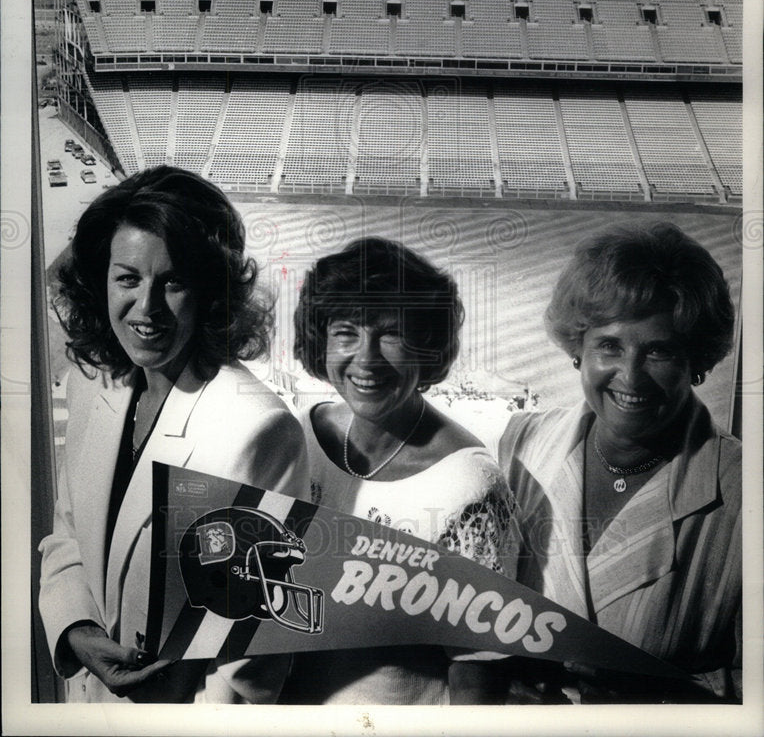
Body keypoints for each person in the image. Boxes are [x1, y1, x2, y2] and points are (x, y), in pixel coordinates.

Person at [38, 166, 309, 703]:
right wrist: (78, 631)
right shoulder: (94, 385)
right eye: (127, 278)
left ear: (211, 290)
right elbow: (68, 531)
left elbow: (256, 654)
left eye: (174, 282)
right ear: (101, 280)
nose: (147, 308)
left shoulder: (257, 428)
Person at [497, 221, 741, 703]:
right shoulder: (520, 443)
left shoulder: (741, 490)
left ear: (696, 361)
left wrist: (662, 693)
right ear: (577, 350)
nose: (630, 376)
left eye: (659, 351)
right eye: (609, 345)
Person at [280, 236, 521, 705]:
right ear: (320, 340)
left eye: (391, 334)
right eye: (346, 331)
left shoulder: (469, 485)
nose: (366, 359)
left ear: (427, 348)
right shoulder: (298, 436)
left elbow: (478, 668)